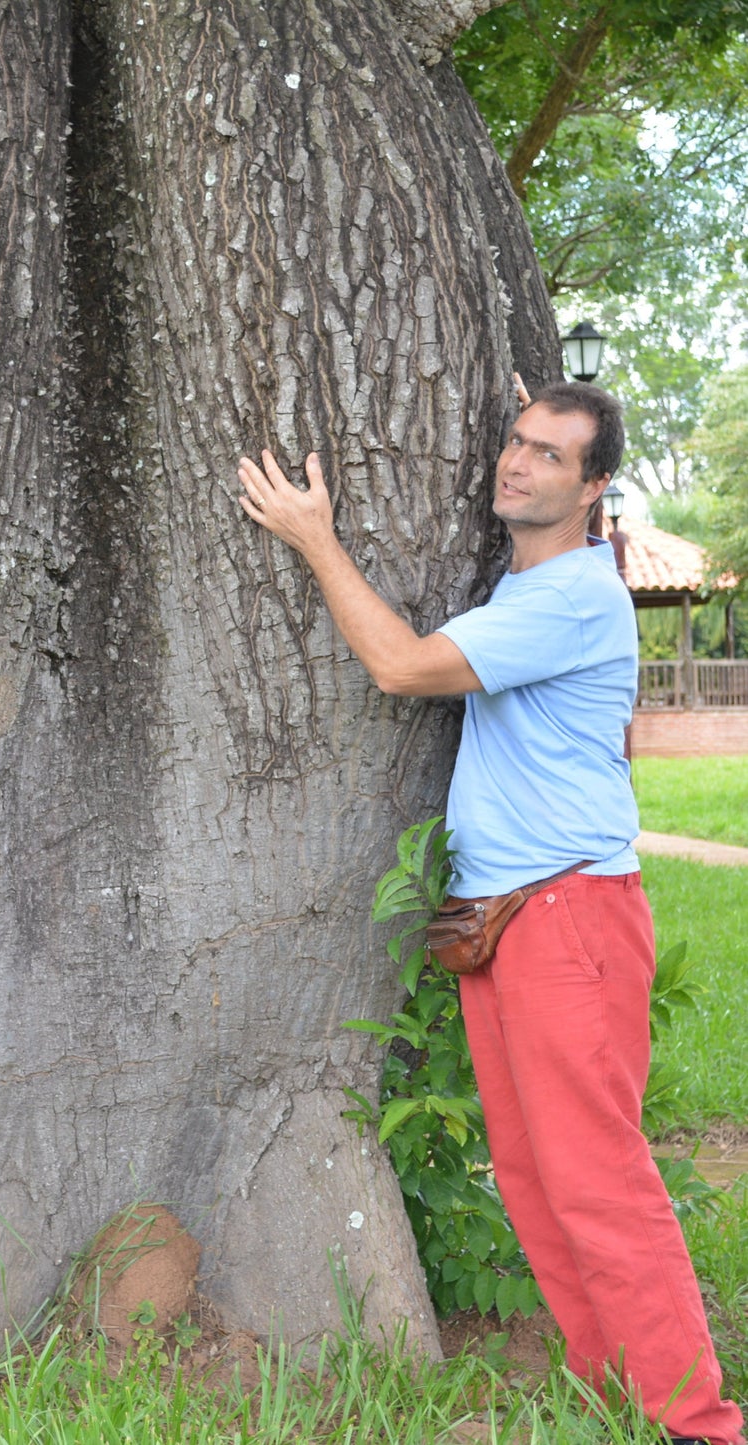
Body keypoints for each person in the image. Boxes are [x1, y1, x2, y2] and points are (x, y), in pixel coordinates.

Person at [236, 380, 742, 1445]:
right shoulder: (530, 586)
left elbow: (398, 664)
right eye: (515, 441)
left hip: (569, 917)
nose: (516, 463)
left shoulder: (566, 598)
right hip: (505, 919)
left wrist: (315, 538)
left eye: (550, 454)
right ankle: (615, 1390)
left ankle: (696, 1422)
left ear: (594, 486)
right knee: (530, 1171)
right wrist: (541, 396)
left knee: (596, 1178)